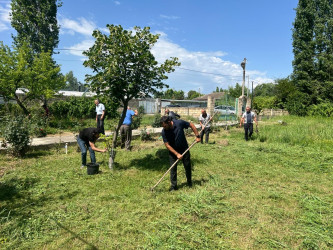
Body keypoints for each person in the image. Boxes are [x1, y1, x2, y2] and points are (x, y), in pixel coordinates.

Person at [160, 116, 201, 191]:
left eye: (165, 126)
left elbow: (191, 125)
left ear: (169, 122)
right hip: (173, 152)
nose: (164, 128)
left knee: (187, 166)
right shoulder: (164, 132)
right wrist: (176, 154)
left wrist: (197, 136)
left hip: (184, 149)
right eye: (163, 126)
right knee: (173, 169)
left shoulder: (179, 123)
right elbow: (167, 145)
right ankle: (173, 186)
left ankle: (189, 183)